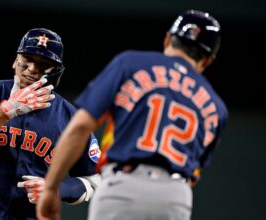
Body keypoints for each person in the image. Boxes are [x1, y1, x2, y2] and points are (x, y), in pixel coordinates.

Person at [37, 9, 228, 220]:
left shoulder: (130, 64)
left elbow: (81, 127)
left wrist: (51, 187)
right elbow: (194, 174)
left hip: (123, 186)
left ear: (167, 39)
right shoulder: (216, 107)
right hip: (175, 196)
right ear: (209, 59)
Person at [0, 28, 101, 220]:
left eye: (44, 64)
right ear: (15, 60)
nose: (32, 68)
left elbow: (94, 179)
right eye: (27, 58)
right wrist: (7, 109)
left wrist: (55, 189)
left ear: (58, 74)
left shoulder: (69, 117)